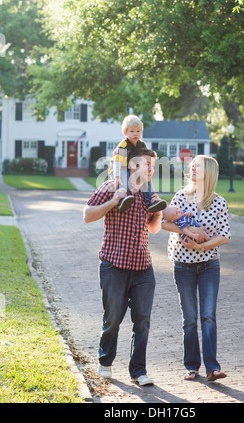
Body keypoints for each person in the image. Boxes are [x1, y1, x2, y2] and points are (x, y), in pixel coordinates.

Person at [83, 148, 162, 386]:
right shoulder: (111, 187)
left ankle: (138, 371)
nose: (150, 169)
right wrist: (114, 201)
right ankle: (105, 361)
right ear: (131, 166)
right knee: (113, 318)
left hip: (142, 267)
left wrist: (157, 211)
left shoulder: (148, 194)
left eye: (153, 166)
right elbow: (87, 215)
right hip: (113, 265)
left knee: (142, 320)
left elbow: (154, 228)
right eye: (146, 164)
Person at [162, 155, 231, 382]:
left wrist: (201, 246)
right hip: (183, 266)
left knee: (208, 316)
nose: (192, 169)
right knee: (189, 318)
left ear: (208, 172)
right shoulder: (181, 197)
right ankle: (192, 367)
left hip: (209, 265)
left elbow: (224, 236)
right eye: (191, 166)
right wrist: (187, 230)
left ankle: (212, 368)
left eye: (197, 166)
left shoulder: (219, 202)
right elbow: (164, 222)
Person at [109, 114, 167, 213]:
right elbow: (118, 163)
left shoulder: (142, 145)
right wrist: (116, 176)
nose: (135, 134)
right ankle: (123, 200)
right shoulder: (123, 146)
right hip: (119, 168)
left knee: (145, 176)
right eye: (132, 131)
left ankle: (151, 201)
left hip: (133, 167)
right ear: (125, 132)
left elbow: (144, 159)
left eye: (138, 131)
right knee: (123, 178)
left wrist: (146, 170)